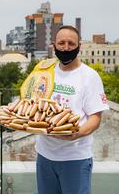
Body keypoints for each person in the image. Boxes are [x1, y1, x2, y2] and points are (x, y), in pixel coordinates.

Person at [35, 25, 109, 194]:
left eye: (71, 43)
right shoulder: (46, 71)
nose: (66, 48)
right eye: (61, 43)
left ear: (79, 46)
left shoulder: (89, 76)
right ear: (53, 45)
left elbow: (95, 118)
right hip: (44, 155)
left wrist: (77, 134)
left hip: (74, 158)